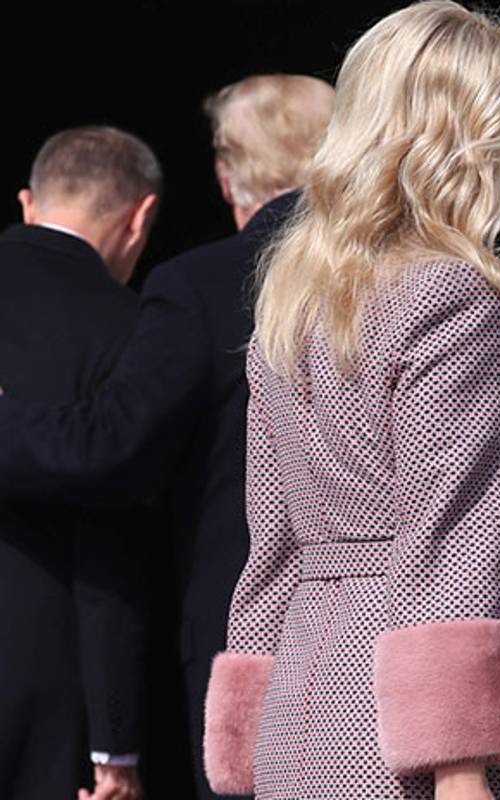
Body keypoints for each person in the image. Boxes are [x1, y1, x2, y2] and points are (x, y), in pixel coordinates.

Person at [201, 4, 500, 798]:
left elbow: (273, 545)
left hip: (305, 703)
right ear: (464, 146)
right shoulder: (451, 294)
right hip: (408, 729)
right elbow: (452, 537)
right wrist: (463, 768)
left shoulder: (296, 301)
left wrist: (248, 739)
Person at [0, 74, 334, 800]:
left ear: (225, 177)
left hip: (241, 640)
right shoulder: (414, 272)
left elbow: (110, 448)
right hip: (395, 639)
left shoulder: (204, 286)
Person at [0, 125, 161, 800]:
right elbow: (108, 550)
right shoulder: (129, 328)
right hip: (41, 679)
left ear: (27, 203)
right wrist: (114, 744)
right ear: (141, 218)